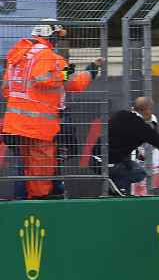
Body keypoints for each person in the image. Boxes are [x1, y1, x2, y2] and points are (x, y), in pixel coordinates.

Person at [1, 22, 98, 199]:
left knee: (25, 168)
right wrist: (89, 71)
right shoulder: (49, 57)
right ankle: (38, 205)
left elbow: (6, 89)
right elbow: (54, 81)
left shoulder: (17, 57)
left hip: (14, 124)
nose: (58, 42)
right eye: (57, 38)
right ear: (51, 36)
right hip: (38, 127)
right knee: (41, 169)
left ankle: (24, 202)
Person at [108, 97, 159, 195]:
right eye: (151, 110)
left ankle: (116, 187)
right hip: (113, 162)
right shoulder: (141, 128)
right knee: (139, 173)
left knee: (131, 167)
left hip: (98, 157)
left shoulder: (120, 114)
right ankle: (116, 187)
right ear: (147, 110)